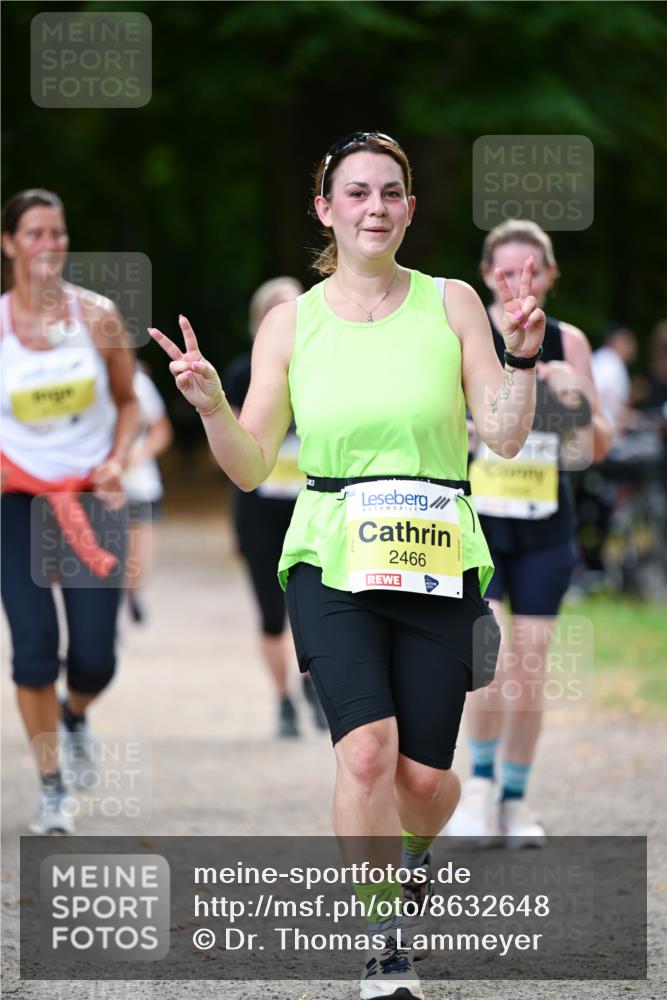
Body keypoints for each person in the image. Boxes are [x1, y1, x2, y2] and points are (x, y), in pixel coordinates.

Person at [150, 132, 545, 1000]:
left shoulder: (453, 305)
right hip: (329, 554)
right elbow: (252, 465)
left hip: (439, 554)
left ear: (409, 206)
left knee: (425, 781)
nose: (375, 208)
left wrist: (518, 356)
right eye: (356, 193)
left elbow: (505, 434)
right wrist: (213, 405)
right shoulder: (291, 321)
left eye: (391, 193)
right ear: (325, 208)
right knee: (365, 755)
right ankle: (383, 943)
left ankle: (410, 856)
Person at [447, 219, 611, 847]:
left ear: (549, 274)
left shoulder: (568, 341)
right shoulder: (470, 334)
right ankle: (480, 789)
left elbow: (595, 449)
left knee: (531, 665)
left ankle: (515, 799)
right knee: (485, 663)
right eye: (506, 271)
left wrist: (580, 402)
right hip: (481, 523)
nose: (519, 280)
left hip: (546, 523)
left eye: (531, 270)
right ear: (490, 275)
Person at [1, 189, 140, 832]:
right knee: (32, 652)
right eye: (35, 234)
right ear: (9, 244)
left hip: (89, 497)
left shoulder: (99, 317)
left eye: (57, 232)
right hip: (17, 503)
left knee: (95, 658)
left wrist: (116, 460)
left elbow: (130, 404)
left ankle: (76, 711)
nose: (49, 245)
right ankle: (52, 785)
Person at [223, 277, 327, 737]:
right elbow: (228, 450)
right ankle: (283, 699)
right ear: (258, 322)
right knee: (270, 612)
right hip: (259, 511)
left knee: (314, 608)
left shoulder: (329, 365)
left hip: (314, 505)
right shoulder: (242, 372)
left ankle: (314, 687)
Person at [122, 359, 173, 624]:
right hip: (97, 487)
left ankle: (133, 593)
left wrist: (137, 456)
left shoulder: (140, 384)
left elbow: (161, 431)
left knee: (138, 555)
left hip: (140, 484)